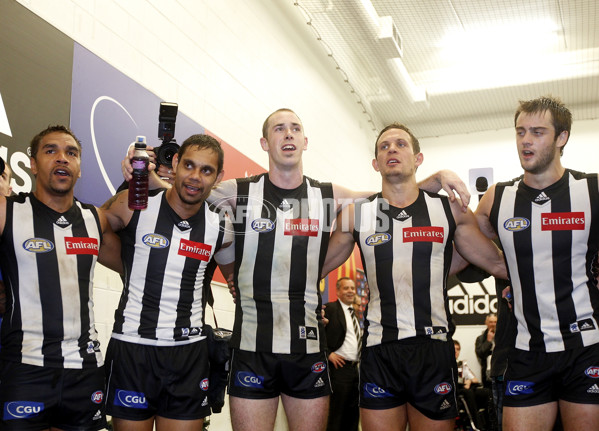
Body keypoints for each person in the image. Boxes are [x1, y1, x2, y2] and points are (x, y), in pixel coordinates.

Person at [124, 108, 472, 431]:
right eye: (279, 128)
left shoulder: (328, 195)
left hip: (306, 348)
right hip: (251, 346)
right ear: (265, 143)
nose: (287, 134)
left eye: (295, 128)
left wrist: (434, 178)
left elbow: (390, 195)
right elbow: (185, 192)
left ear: (305, 142)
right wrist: (142, 173)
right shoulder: (237, 193)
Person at [321, 123, 508, 431]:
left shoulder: (449, 210)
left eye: (400, 144)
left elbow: (497, 264)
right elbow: (314, 269)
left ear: (418, 158)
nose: (392, 149)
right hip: (380, 350)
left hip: (432, 348)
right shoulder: (357, 214)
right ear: (375, 163)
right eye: (384, 146)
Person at [474, 95, 599, 431]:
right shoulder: (498, 198)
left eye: (538, 132)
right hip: (527, 351)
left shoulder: (591, 189)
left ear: (562, 138)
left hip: (586, 348)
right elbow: (472, 236)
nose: (526, 140)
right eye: (520, 131)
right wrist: (507, 268)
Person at [101, 134, 234, 431]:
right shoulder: (134, 204)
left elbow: (242, 286)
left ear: (218, 177)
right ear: (175, 163)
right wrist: (135, 177)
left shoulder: (221, 228)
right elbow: (88, 229)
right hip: (133, 349)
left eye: (207, 170)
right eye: (188, 165)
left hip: (189, 355)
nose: (195, 177)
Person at [0, 125, 122, 430]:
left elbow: (138, 266)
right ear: (32, 163)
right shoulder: (8, 213)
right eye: (50, 150)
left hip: (85, 369)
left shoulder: (96, 220)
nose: (62, 158)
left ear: (80, 167)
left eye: (71, 153)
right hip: (26, 367)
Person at [324, 277, 361, 431]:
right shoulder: (331, 309)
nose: (350, 291)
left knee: (353, 415)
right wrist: (328, 353)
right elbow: (318, 332)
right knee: (336, 416)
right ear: (338, 291)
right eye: (346, 288)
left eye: (352, 288)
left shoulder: (355, 314)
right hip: (338, 370)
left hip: (355, 370)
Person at [475, 313, 497, 388]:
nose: (493, 324)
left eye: (495, 322)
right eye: (491, 322)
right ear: (486, 323)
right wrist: (488, 341)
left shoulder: (503, 337)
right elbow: (480, 354)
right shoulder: (480, 338)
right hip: (487, 375)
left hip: (501, 371)